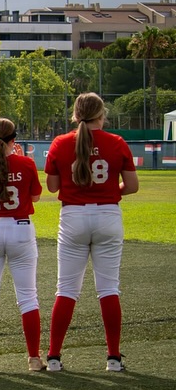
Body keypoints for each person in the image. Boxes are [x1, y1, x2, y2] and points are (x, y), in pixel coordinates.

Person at [44, 93, 138, 372]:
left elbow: (52, 186)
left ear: (75, 115)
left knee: (66, 290)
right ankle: (113, 358)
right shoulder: (116, 142)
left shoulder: (61, 142)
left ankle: (53, 357)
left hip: (73, 216)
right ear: (101, 114)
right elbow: (132, 186)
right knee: (108, 289)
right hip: (108, 215)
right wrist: (109, 191)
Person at [0, 118, 44, 371]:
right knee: (28, 298)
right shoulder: (26, 163)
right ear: (14, 139)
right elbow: (35, 196)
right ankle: (34, 359)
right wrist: (20, 162)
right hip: (20, 229)